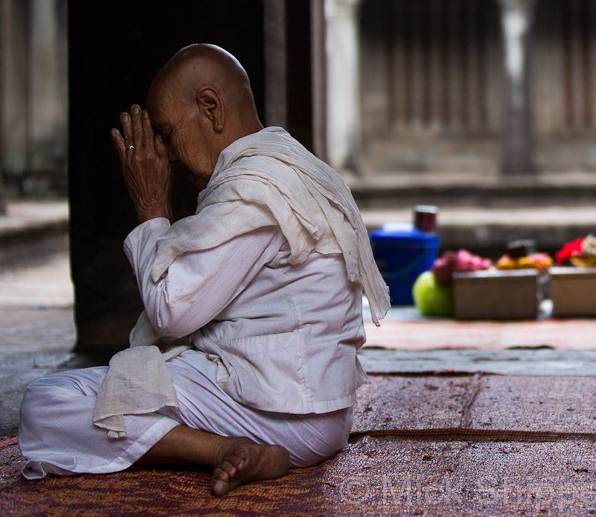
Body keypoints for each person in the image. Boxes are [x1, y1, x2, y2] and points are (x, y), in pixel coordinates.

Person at [18, 43, 389, 495]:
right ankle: (232, 445)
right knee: (122, 386)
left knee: (47, 402)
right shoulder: (292, 166)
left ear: (210, 108)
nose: (168, 155)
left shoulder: (255, 189)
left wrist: (152, 209)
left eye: (169, 134)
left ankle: (220, 448)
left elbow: (172, 312)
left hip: (275, 412)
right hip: (313, 411)